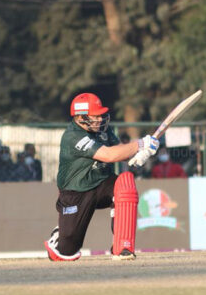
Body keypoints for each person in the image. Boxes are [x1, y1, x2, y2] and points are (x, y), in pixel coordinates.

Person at [44, 93, 158, 261]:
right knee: (67, 252)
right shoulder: (73, 136)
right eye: (95, 116)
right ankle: (59, 236)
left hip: (102, 182)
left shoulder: (104, 129)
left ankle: (123, 246)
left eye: (100, 115)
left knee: (124, 183)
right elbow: (109, 155)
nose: (99, 119)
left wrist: (141, 152)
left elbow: (120, 150)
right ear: (80, 117)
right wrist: (140, 144)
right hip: (76, 191)